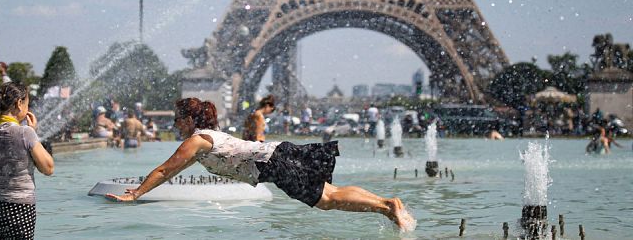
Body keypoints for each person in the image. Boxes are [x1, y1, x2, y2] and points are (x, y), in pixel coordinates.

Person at [106, 98, 416, 232]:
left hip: (273, 162)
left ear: (188, 120)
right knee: (330, 192)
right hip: (276, 153)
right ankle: (387, 204)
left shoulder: (197, 140)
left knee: (327, 200)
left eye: (177, 120)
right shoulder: (208, 136)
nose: (175, 125)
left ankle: (387, 207)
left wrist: (135, 194)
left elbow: (164, 170)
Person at [0, 82, 54, 240]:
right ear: (19, 103)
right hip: (19, 207)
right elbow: (48, 168)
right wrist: (33, 132)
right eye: (27, 104)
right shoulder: (26, 133)